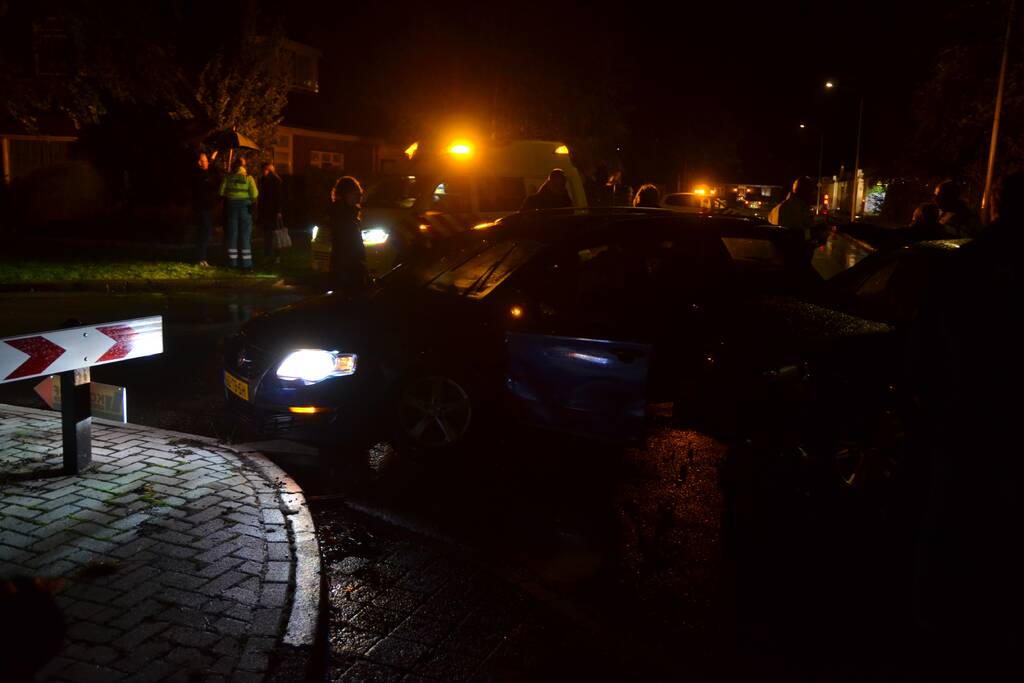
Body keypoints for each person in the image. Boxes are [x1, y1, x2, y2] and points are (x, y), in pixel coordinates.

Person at [907, 172, 1024, 677]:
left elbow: (927, 342)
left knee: (951, 513)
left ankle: (936, 621)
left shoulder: (967, 264)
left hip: (967, 413)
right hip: (1007, 420)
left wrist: (931, 399)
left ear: (996, 204)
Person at [328, 175, 367, 294]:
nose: (357, 198)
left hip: (346, 264)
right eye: (354, 194)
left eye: (358, 195)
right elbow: (347, 240)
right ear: (346, 194)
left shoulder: (347, 212)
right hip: (346, 265)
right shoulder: (343, 213)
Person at [218, 157, 258, 269]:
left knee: (232, 235)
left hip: (231, 207)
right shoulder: (248, 178)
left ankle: (232, 262)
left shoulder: (228, 177)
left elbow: (221, 192)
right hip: (245, 208)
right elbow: (254, 194)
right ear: (244, 166)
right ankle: (246, 263)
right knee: (245, 236)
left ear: (235, 165)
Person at [191, 151, 219, 266]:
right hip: (202, 207)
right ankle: (200, 258)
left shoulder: (203, 173)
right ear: (199, 162)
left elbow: (210, 173)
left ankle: (201, 258)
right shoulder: (200, 175)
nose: (206, 163)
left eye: (207, 161)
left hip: (205, 207)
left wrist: (212, 159)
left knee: (205, 232)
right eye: (205, 161)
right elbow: (211, 182)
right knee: (205, 232)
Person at [257, 162, 283, 265]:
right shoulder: (264, 180)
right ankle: (269, 255)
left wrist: (278, 211)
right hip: (267, 211)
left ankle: (276, 256)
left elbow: (279, 197)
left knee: (274, 235)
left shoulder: (275, 181)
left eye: (264, 170)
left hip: (272, 211)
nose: (263, 172)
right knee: (268, 235)